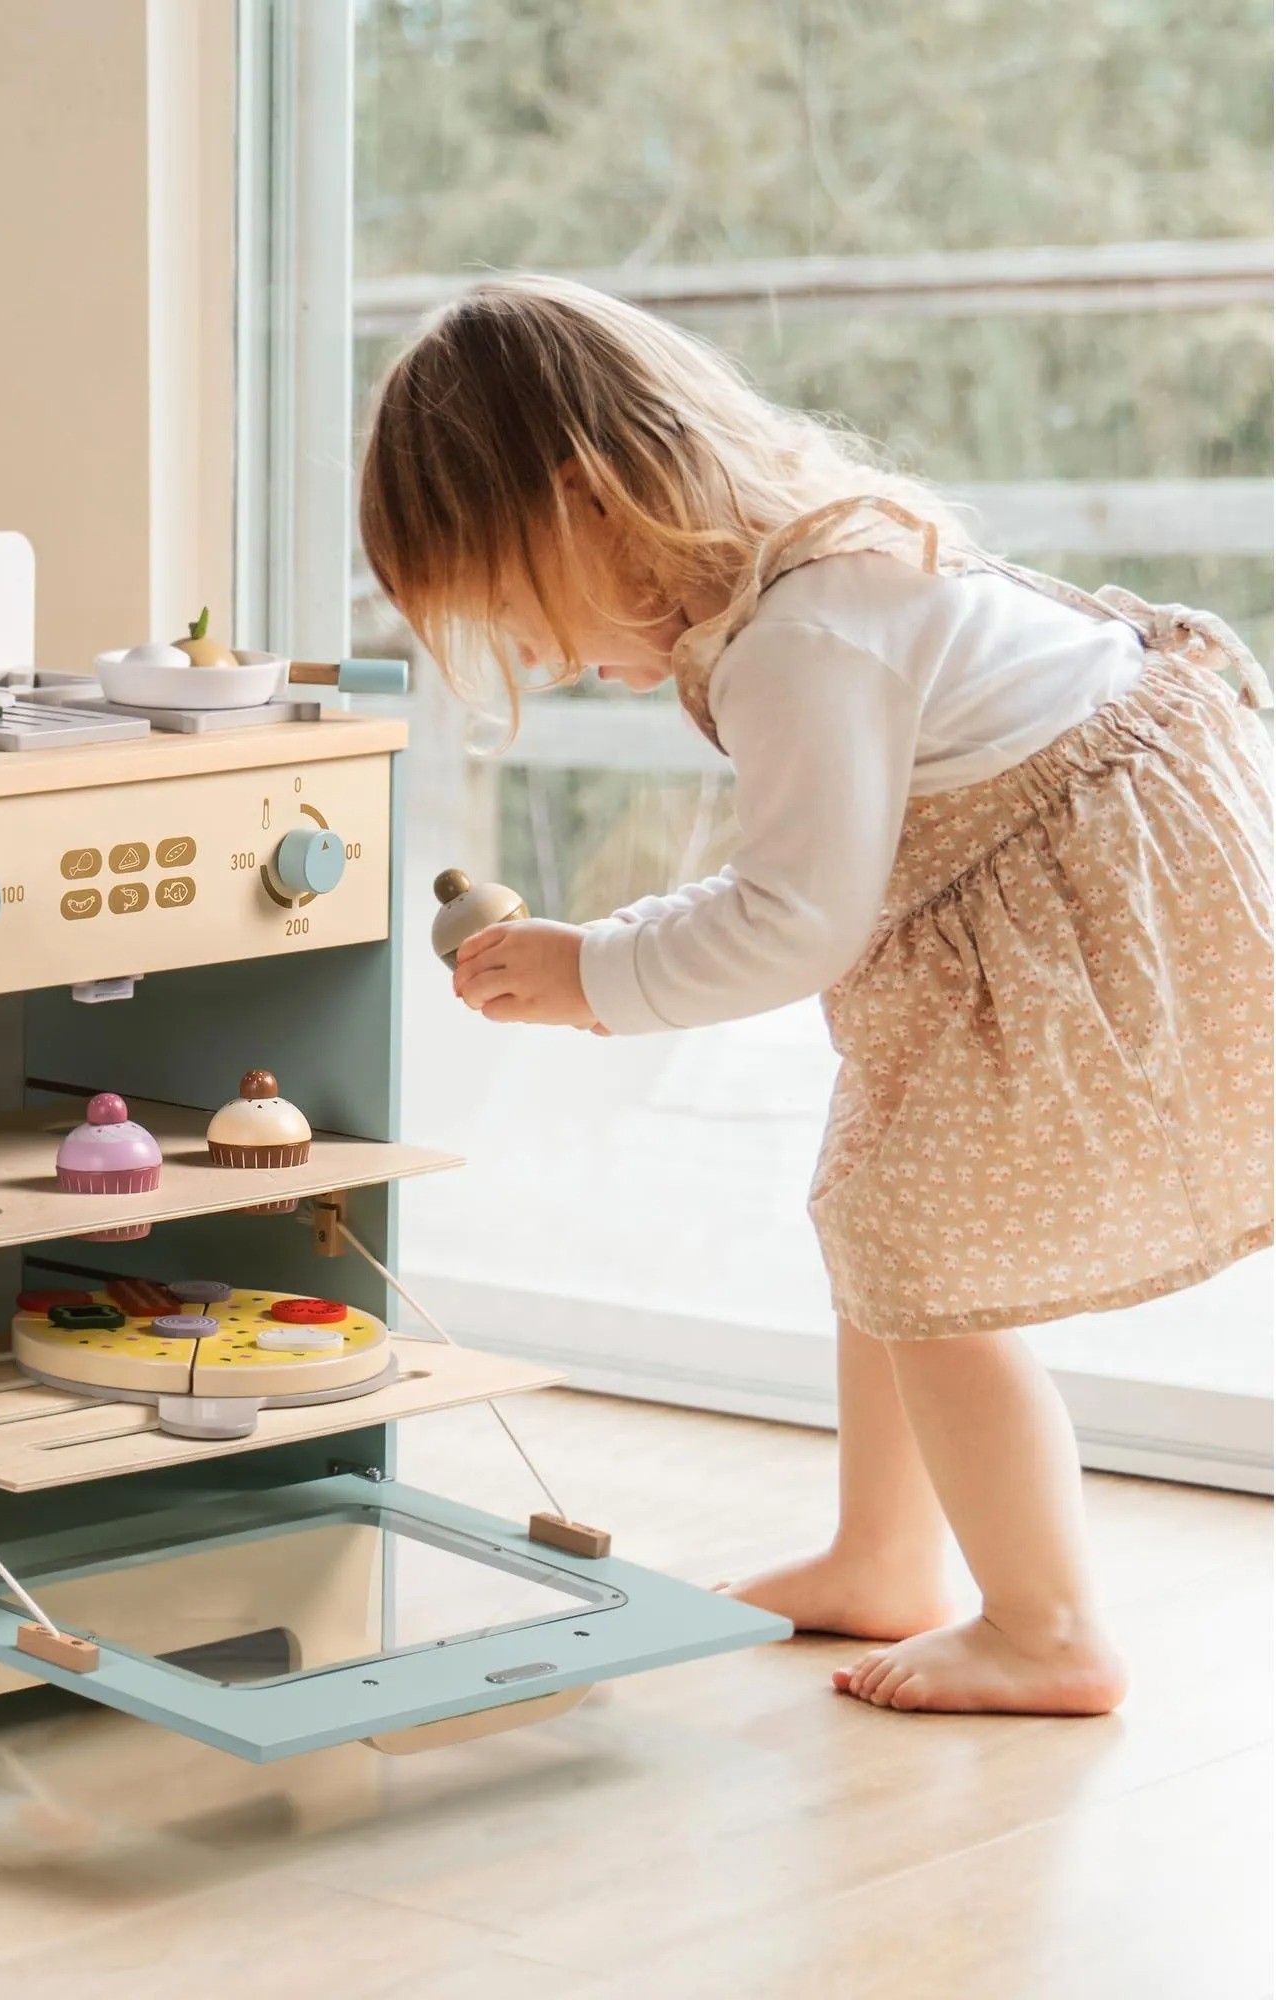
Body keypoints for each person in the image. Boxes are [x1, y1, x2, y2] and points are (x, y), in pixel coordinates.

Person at [359, 276, 1272, 1715]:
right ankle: (884, 1556)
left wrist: (596, 973)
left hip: (1099, 922)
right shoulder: (809, 582)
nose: (538, 659)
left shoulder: (806, 635)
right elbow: (811, 885)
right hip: (1075, 890)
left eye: (517, 610)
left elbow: (793, 921)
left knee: (923, 1250)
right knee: (885, 1215)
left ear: (589, 500)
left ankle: (1047, 1630)